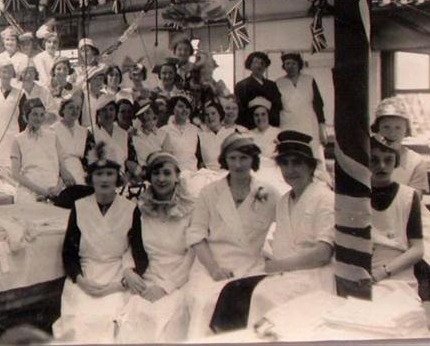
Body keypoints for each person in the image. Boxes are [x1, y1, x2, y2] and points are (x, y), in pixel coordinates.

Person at [184, 133, 279, 340]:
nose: (238, 165)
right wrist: (214, 269)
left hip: (251, 267)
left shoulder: (268, 193)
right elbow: (196, 236)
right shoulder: (209, 193)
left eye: (244, 158)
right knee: (206, 302)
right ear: (224, 160)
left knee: (260, 302)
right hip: (212, 265)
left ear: (253, 160)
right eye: (232, 158)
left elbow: (286, 228)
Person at [53, 143, 149, 344]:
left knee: (112, 320)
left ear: (117, 177)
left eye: (109, 173)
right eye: (99, 174)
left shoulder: (131, 209)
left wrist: (122, 283)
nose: (104, 179)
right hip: (86, 274)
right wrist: (81, 281)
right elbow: (68, 253)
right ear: (90, 178)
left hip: (118, 275)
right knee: (79, 319)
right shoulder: (79, 207)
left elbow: (141, 255)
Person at [245, 130, 335, 327]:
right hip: (284, 274)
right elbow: (279, 241)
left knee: (265, 298)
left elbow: (323, 253)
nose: (290, 169)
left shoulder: (325, 198)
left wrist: (276, 266)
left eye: (297, 163)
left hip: (314, 276)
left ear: (311, 166)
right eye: (285, 163)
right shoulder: (284, 200)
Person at [116, 152, 195, 343]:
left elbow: (193, 256)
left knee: (168, 318)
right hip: (149, 275)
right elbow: (131, 245)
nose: (161, 179)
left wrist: (166, 287)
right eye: (156, 173)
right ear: (149, 177)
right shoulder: (142, 208)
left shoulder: (192, 209)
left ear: (177, 177)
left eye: (167, 173)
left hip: (181, 279)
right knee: (132, 313)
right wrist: (128, 271)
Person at [369, 134, 425, 292]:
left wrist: (384, 271)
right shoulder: (357, 195)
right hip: (363, 269)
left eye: (388, 160)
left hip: (397, 271)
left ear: (396, 162)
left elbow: (417, 249)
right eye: (374, 160)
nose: (381, 166)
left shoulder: (408, 196)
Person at [371, 97, 429, 193]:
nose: (392, 133)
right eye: (386, 127)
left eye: (398, 128)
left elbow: (415, 200)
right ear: (377, 128)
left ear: (406, 130)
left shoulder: (416, 162)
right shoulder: (366, 156)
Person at [11, 98, 61, 203]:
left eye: (42, 115)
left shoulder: (53, 136)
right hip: (29, 192)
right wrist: (41, 191)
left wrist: (58, 188)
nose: (38, 118)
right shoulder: (18, 139)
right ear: (25, 117)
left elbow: (62, 168)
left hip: (54, 191)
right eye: (34, 114)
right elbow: (15, 174)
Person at [275, 52, 327, 147]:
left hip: (308, 123)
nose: (290, 66)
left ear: (299, 65)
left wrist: (322, 126)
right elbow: (275, 107)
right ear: (284, 66)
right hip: (287, 124)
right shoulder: (278, 82)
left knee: (309, 151)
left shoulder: (309, 80)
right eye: (287, 64)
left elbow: (318, 103)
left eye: (293, 63)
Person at [53, 90, 91, 187]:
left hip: (80, 173)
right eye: (71, 108)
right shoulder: (52, 130)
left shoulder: (84, 132)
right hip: (58, 172)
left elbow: (90, 158)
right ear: (63, 109)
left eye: (78, 108)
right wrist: (63, 172)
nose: (75, 111)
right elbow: (50, 156)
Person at [90, 94, 136, 174]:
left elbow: (128, 160)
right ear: (98, 113)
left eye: (111, 109)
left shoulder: (123, 134)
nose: (108, 113)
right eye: (104, 110)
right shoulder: (91, 132)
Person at [234, 51, 282, 129]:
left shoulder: (272, 85)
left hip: (269, 125)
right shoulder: (242, 85)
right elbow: (240, 109)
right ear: (250, 65)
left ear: (265, 67)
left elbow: (277, 106)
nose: (259, 66)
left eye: (262, 63)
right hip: (249, 125)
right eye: (256, 62)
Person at [160, 94, 200, 175]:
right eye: (181, 106)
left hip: (193, 175)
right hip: (172, 176)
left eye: (187, 107)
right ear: (173, 108)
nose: (184, 110)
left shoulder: (197, 131)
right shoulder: (163, 131)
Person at [197, 99, 233, 172]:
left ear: (220, 115)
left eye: (213, 113)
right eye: (207, 115)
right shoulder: (200, 136)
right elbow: (198, 161)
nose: (210, 117)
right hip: (209, 176)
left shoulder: (232, 133)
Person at [152, 58, 185, 126]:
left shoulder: (181, 92)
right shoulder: (154, 93)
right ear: (160, 75)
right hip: (161, 126)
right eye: (164, 73)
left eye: (170, 73)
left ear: (175, 74)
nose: (167, 76)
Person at [132, 100, 164, 166]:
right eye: (142, 114)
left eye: (147, 112)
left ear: (155, 115)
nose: (144, 116)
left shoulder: (163, 133)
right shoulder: (133, 134)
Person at [33, 20, 60, 88]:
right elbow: (44, 77)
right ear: (44, 43)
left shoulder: (59, 58)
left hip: (58, 88)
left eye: (55, 42)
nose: (52, 45)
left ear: (58, 45)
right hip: (44, 88)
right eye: (49, 42)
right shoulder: (39, 58)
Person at [81, 64, 107, 129]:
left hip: (102, 131)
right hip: (87, 131)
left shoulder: (105, 97)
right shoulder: (84, 96)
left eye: (100, 79)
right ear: (90, 80)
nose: (98, 82)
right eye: (95, 79)